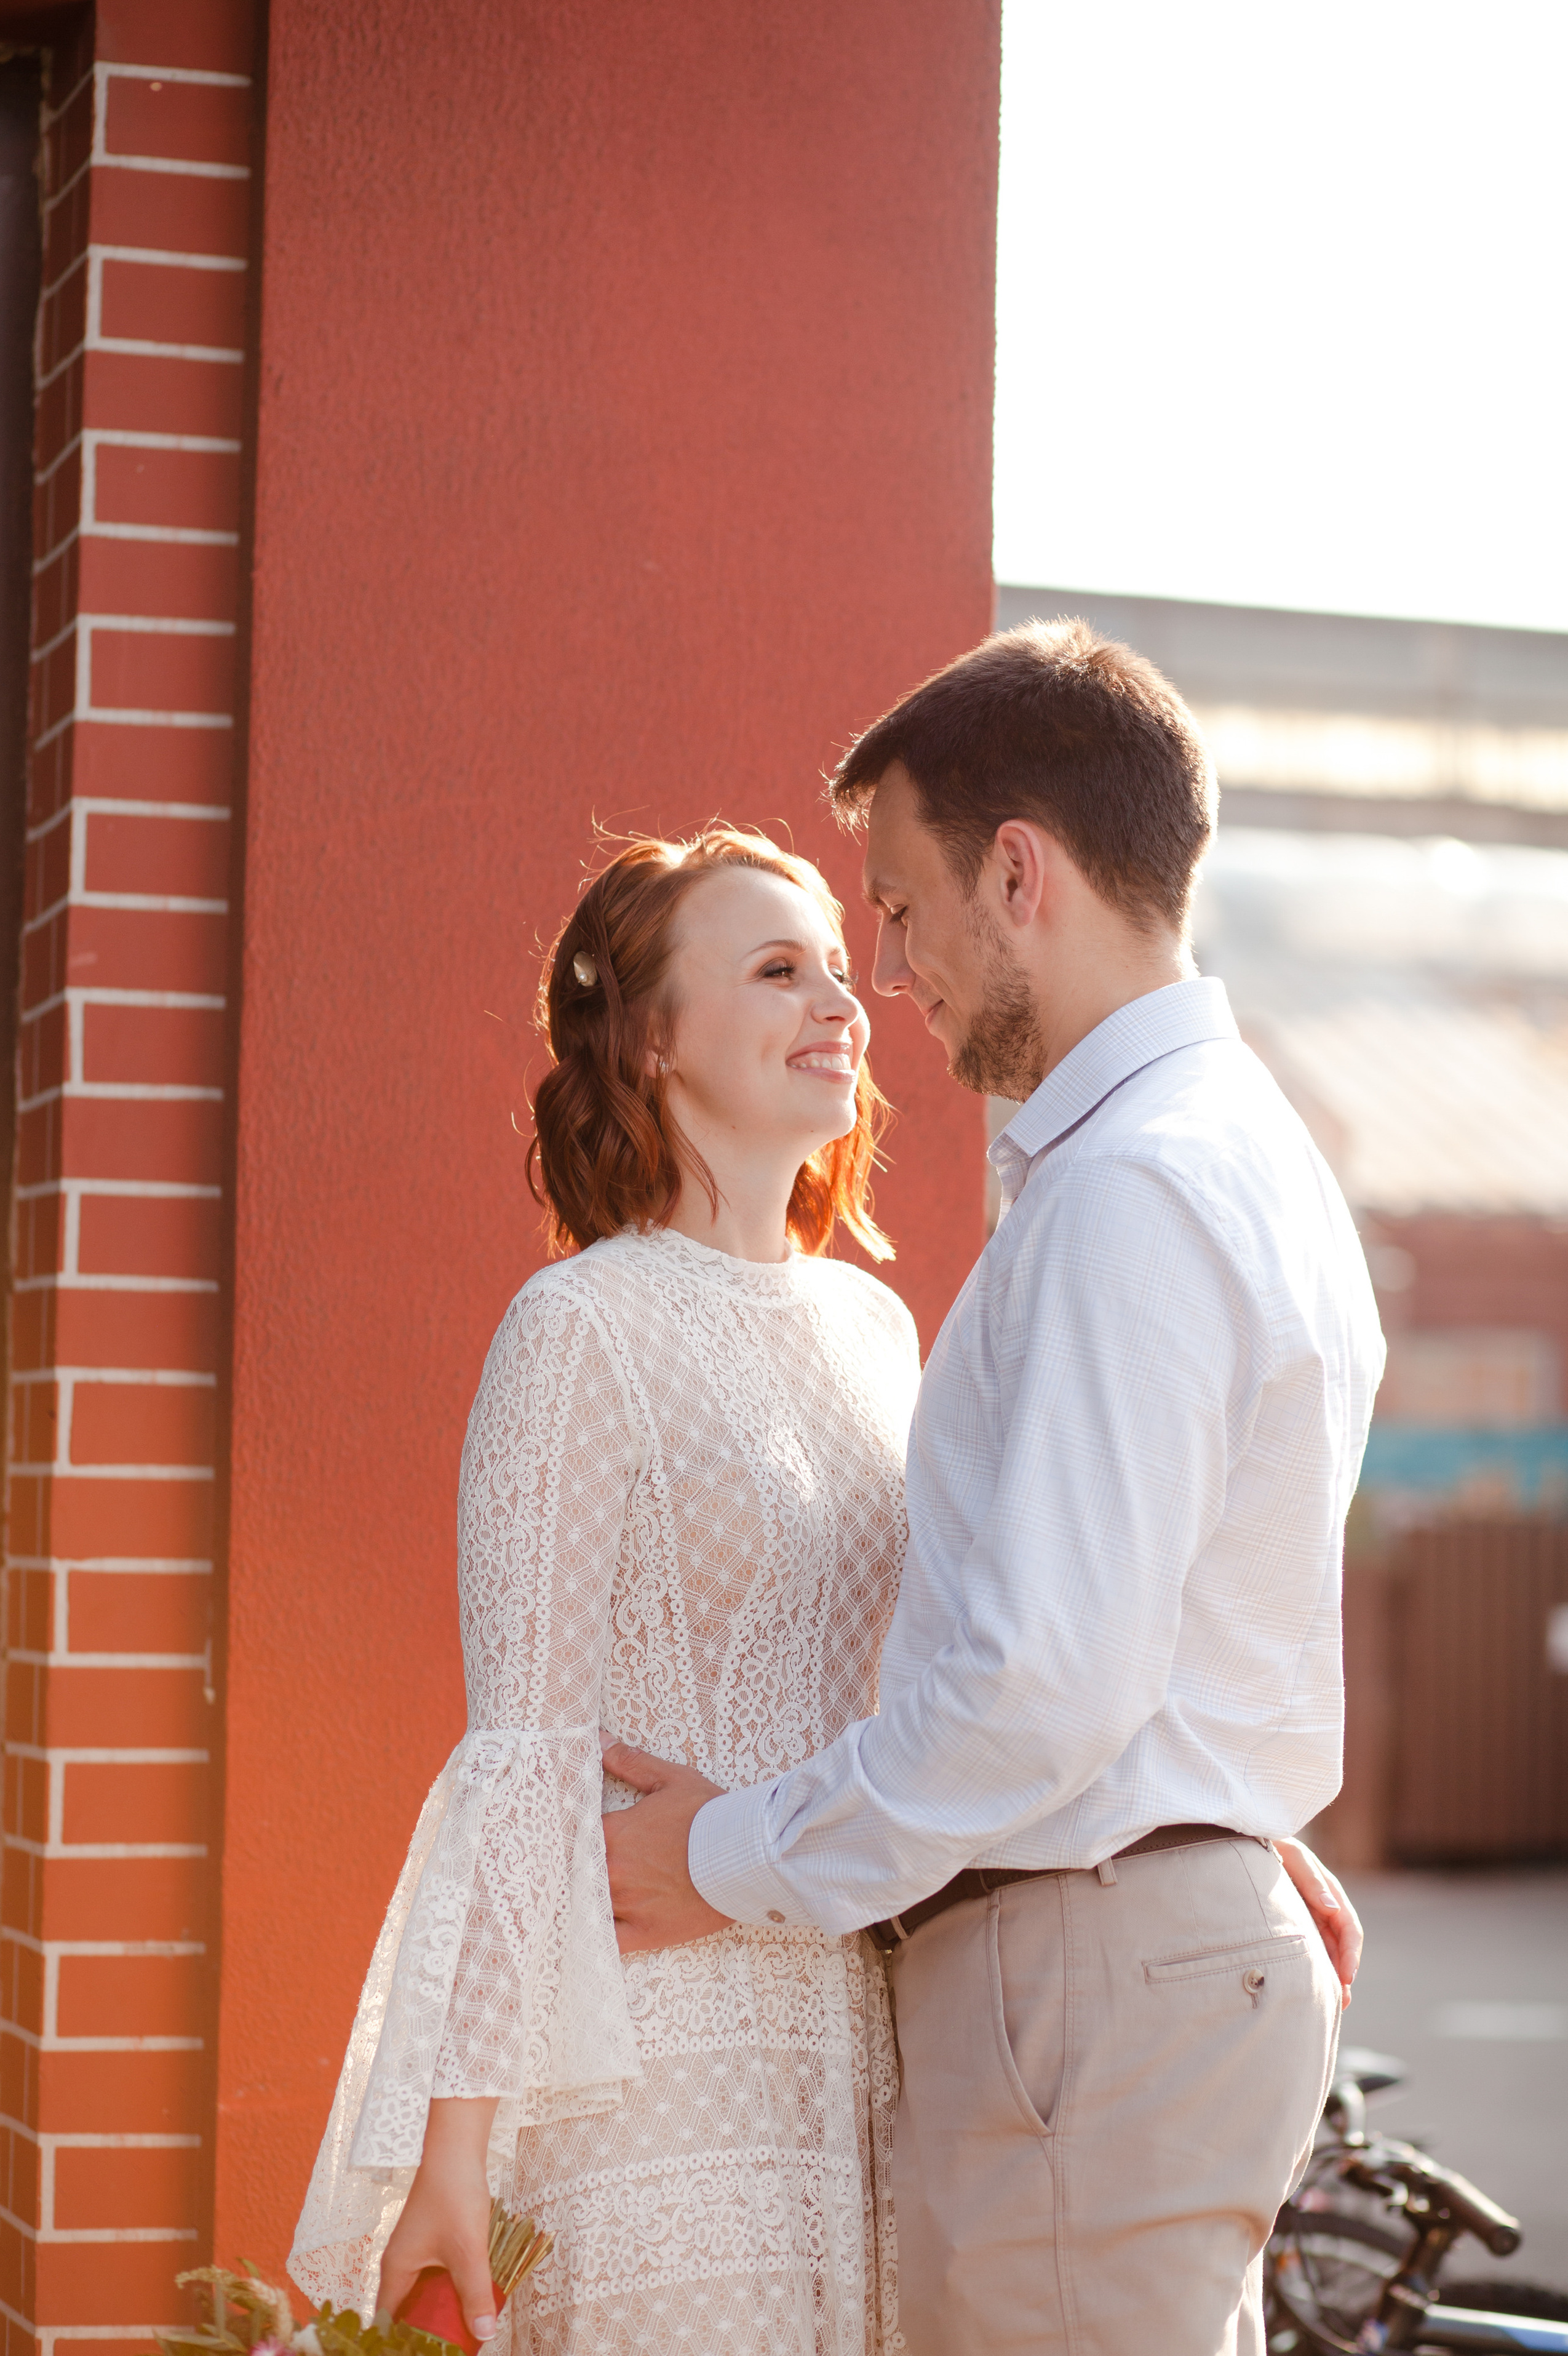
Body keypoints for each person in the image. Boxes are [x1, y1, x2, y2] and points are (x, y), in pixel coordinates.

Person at [600, 620, 1386, 2356]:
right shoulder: (1235, 1153)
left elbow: (1040, 1691)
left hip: (1083, 2001)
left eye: (897, 904)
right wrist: (1230, 1831)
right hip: (1129, 1974)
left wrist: (715, 1854)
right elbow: (1165, 1628)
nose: (887, 969)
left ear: (1017, 872)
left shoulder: (1133, 1196)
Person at [288, 826, 925, 2354]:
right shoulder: (574, 1329)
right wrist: (451, 2157)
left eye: (841, 967)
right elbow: (521, 1764)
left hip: (853, 2045)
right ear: (648, 1042)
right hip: (642, 2063)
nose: (840, 1001)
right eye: (779, 970)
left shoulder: (878, 1330)